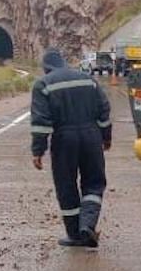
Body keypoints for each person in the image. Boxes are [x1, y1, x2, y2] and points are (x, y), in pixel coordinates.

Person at [30, 48, 112, 248]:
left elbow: (41, 121)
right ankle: (88, 224)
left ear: (46, 67)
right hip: (91, 136)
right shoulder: (88, 79)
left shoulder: (43, 84)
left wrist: (38, 150)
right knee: (94, 182)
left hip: (64, 139)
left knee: (66, 185)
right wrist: (106, 136)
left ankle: (75, 234)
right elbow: (104, 109)